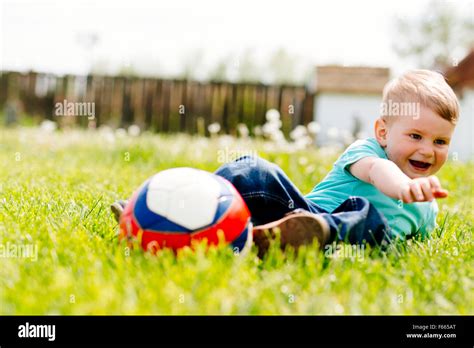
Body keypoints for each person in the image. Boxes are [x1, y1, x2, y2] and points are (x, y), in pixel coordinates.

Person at [112, 69, 459, 258]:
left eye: (440, 141)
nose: (428, 150)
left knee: (370, 218)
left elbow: (411, 245)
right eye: (415, 136)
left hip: (343, 242)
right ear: (383, 132)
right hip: (299, 212)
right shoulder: (368, 152)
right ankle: (175, 205)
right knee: (254, 170)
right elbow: (378, 173)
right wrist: (404, 187)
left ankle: (301, 238)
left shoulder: (427, 207)